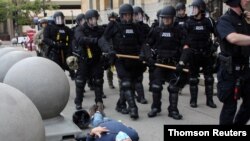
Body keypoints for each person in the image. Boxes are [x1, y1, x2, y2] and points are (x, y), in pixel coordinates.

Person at [99, 3, 145, 119]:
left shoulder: (136, 27)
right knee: (126, 83)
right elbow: (103, 39)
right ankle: (133, 108)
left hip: (134, 60)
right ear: (121, 15)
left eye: (130, 15)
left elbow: (143, 43)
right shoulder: (114, 25)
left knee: (132, 85)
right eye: (125, 15)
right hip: (120, 59)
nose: (128, 18)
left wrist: (144, 53)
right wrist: (109, 50)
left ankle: (120, 105)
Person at [143, 5, 187, 120]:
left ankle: (173, 110)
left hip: (173, 64)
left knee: (173, 88)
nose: (166, 20)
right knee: (156, 86)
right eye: (164, 18)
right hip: (159, 63)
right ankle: (155, 108)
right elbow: (147, 45)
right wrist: (149, 58)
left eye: (168, 18)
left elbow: (186, 48)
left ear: (173, 18)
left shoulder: (179, 31)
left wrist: (182, 63)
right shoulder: (157, 30)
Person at [216, 0, 250, 125]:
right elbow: (233, 38)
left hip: (245, 69)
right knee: (230, 107)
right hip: (229, 71)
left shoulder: (245, 19)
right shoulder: (224, 20)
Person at [184, 0, 217, 108]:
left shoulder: (209, 21)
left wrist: (215, 46)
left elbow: (217, 34)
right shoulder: (188, 22)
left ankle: (210, 100)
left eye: (195, 8)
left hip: (206, 54)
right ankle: (193, 101)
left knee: (209, 79)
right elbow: (183, 38)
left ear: (201, 9)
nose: (192, 10)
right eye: (192, 8)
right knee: (193, 79)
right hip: (193, 55)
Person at [74, 9, 106, 110]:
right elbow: (80, 39)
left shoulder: (100, 29)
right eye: (92, 19)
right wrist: (95, 41)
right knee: (80, 81)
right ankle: (78, 102)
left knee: (98, 81)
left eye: (96, 19)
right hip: (84, 59)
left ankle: (99, 101)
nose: (95, 21)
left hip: (96, 59)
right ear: (87, 20)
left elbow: (106, 40)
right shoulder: (80, 29)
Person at [133, 6, 149, 104]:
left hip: (142, 55)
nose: (138, 16)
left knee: (139, 77)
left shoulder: (146, 27)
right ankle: (139, 95)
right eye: (136, 14)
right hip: (132, 55)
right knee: (132, 78)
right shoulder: (130, 26)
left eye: (139, 14)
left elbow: (149, 40)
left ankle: (140, 95)